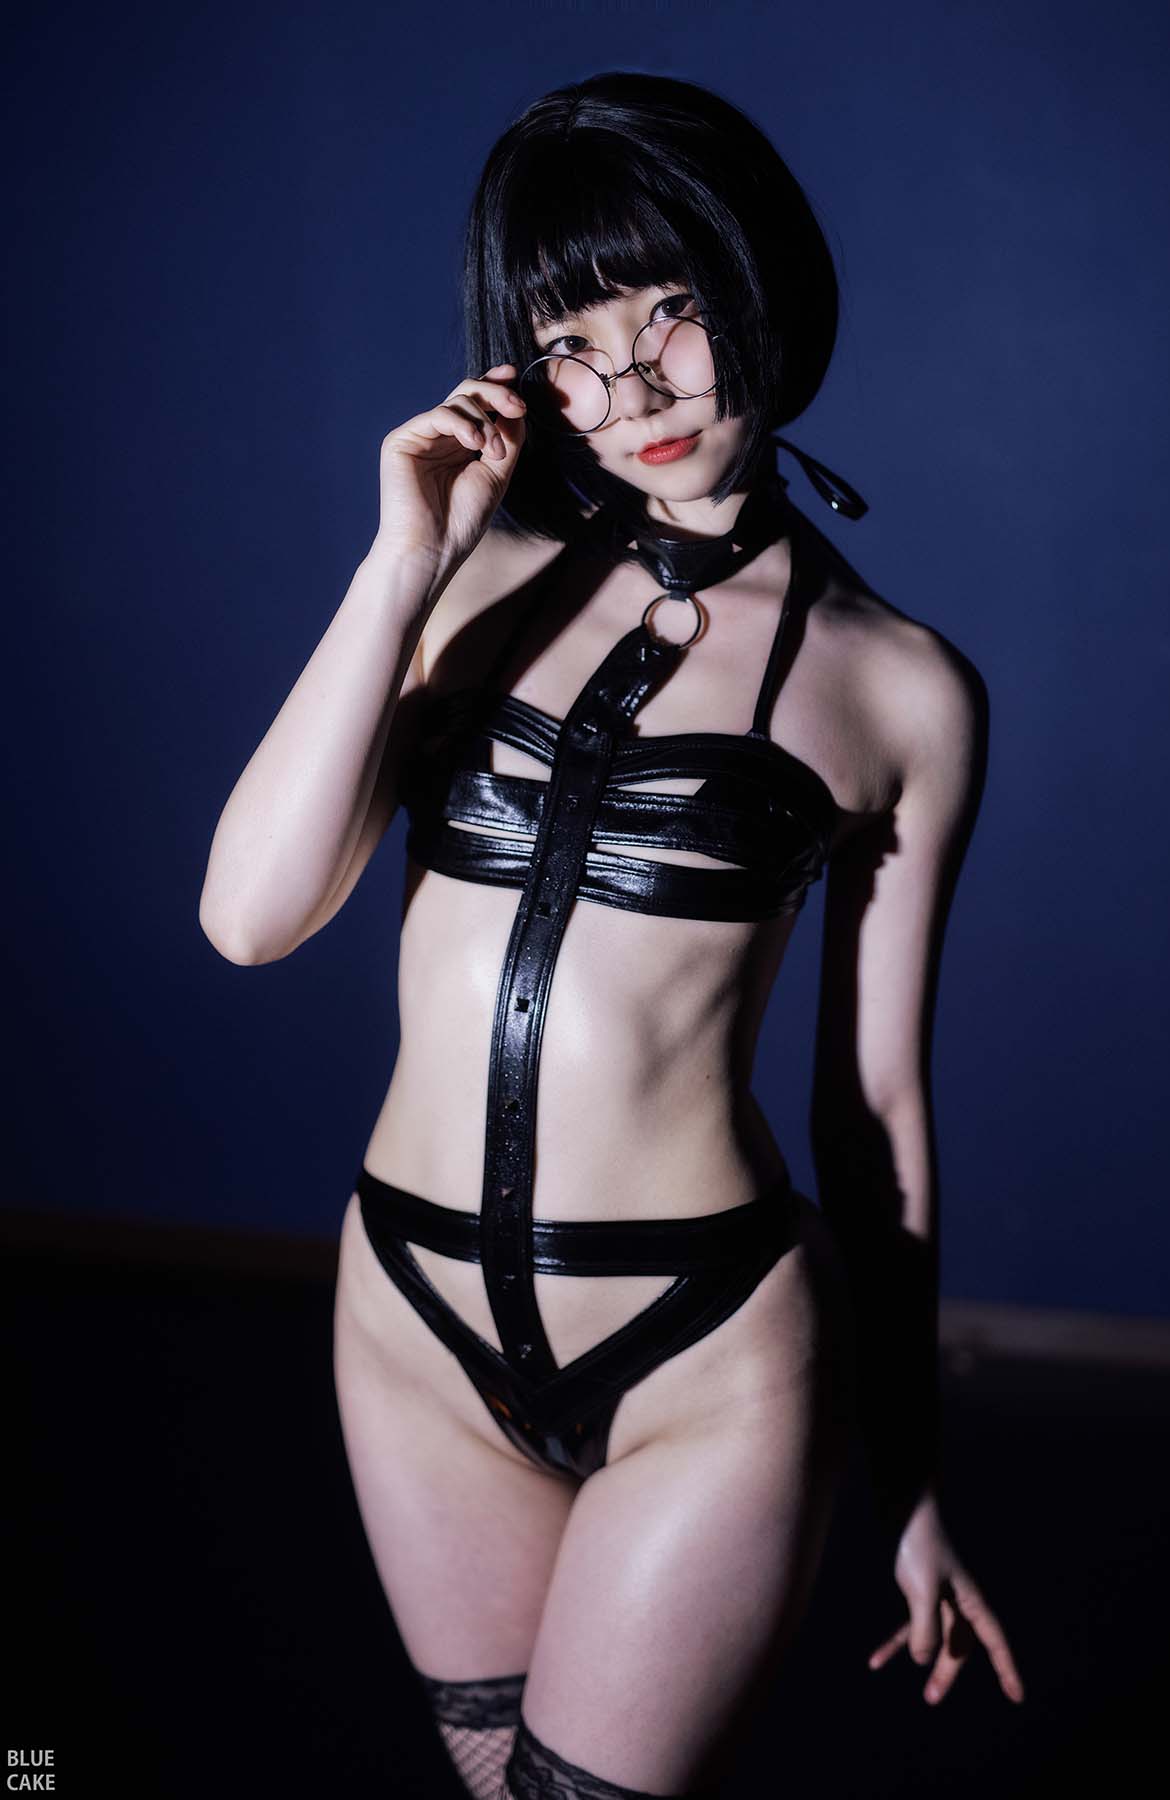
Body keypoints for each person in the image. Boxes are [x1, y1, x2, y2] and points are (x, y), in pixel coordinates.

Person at [200, 69, 1025, 1800]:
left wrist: (912, 1475)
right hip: (408, 1321)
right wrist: (398, 567)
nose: (633, 386)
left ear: (761, 287)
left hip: (703, 1351)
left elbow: (875, 1113)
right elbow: (251, 917)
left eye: (672, 311)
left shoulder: (904, 691)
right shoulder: (469, 583)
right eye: (571, 342)